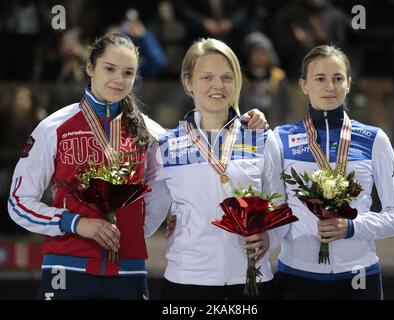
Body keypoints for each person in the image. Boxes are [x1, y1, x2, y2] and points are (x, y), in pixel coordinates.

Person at [7, 33, 267, 300]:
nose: (118, 79)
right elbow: (18, 203)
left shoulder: (152, 132)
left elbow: (167, 184)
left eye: (128, 72)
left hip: (128, 271)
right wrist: (74, 223)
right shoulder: (54, 128)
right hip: (66, 267)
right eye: (110, 69)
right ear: (90, 67)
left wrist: (135, 231)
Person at [146, 38, 286, 300]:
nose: (217, 86)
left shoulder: (261, 137)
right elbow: (150, 214)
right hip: (187, 280)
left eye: (226, 77)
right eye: (206, 77)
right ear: (189, 82)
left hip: (251, 278)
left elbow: (278, 205)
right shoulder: (166, 145)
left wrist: (270, 239)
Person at [271, 45, 394, 299]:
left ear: (348, 83)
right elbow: (273, 211)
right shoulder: (279, 138)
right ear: (303, 85)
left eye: (337, 79)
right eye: (320, 79)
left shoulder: (374, 139)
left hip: (359, 277)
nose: (329, 86)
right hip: (295, 275)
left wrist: (352, 227)